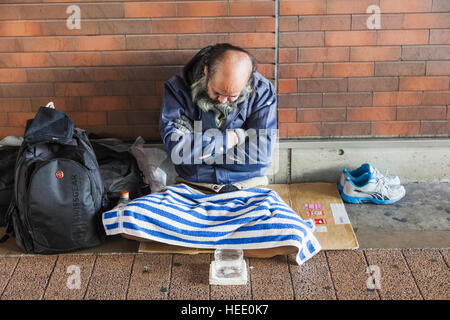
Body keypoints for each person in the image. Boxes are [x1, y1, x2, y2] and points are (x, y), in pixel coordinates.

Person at [159, 43, 278, 193]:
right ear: (206, 71)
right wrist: (233, 138)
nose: (222, 100)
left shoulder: (262, 90)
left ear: (246, 82)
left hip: (247, 183)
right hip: (193, 184)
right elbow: (177, 150)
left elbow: (261, 155)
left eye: (232, 96)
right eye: (217, 92)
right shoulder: (177, 89)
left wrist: (199, 152)